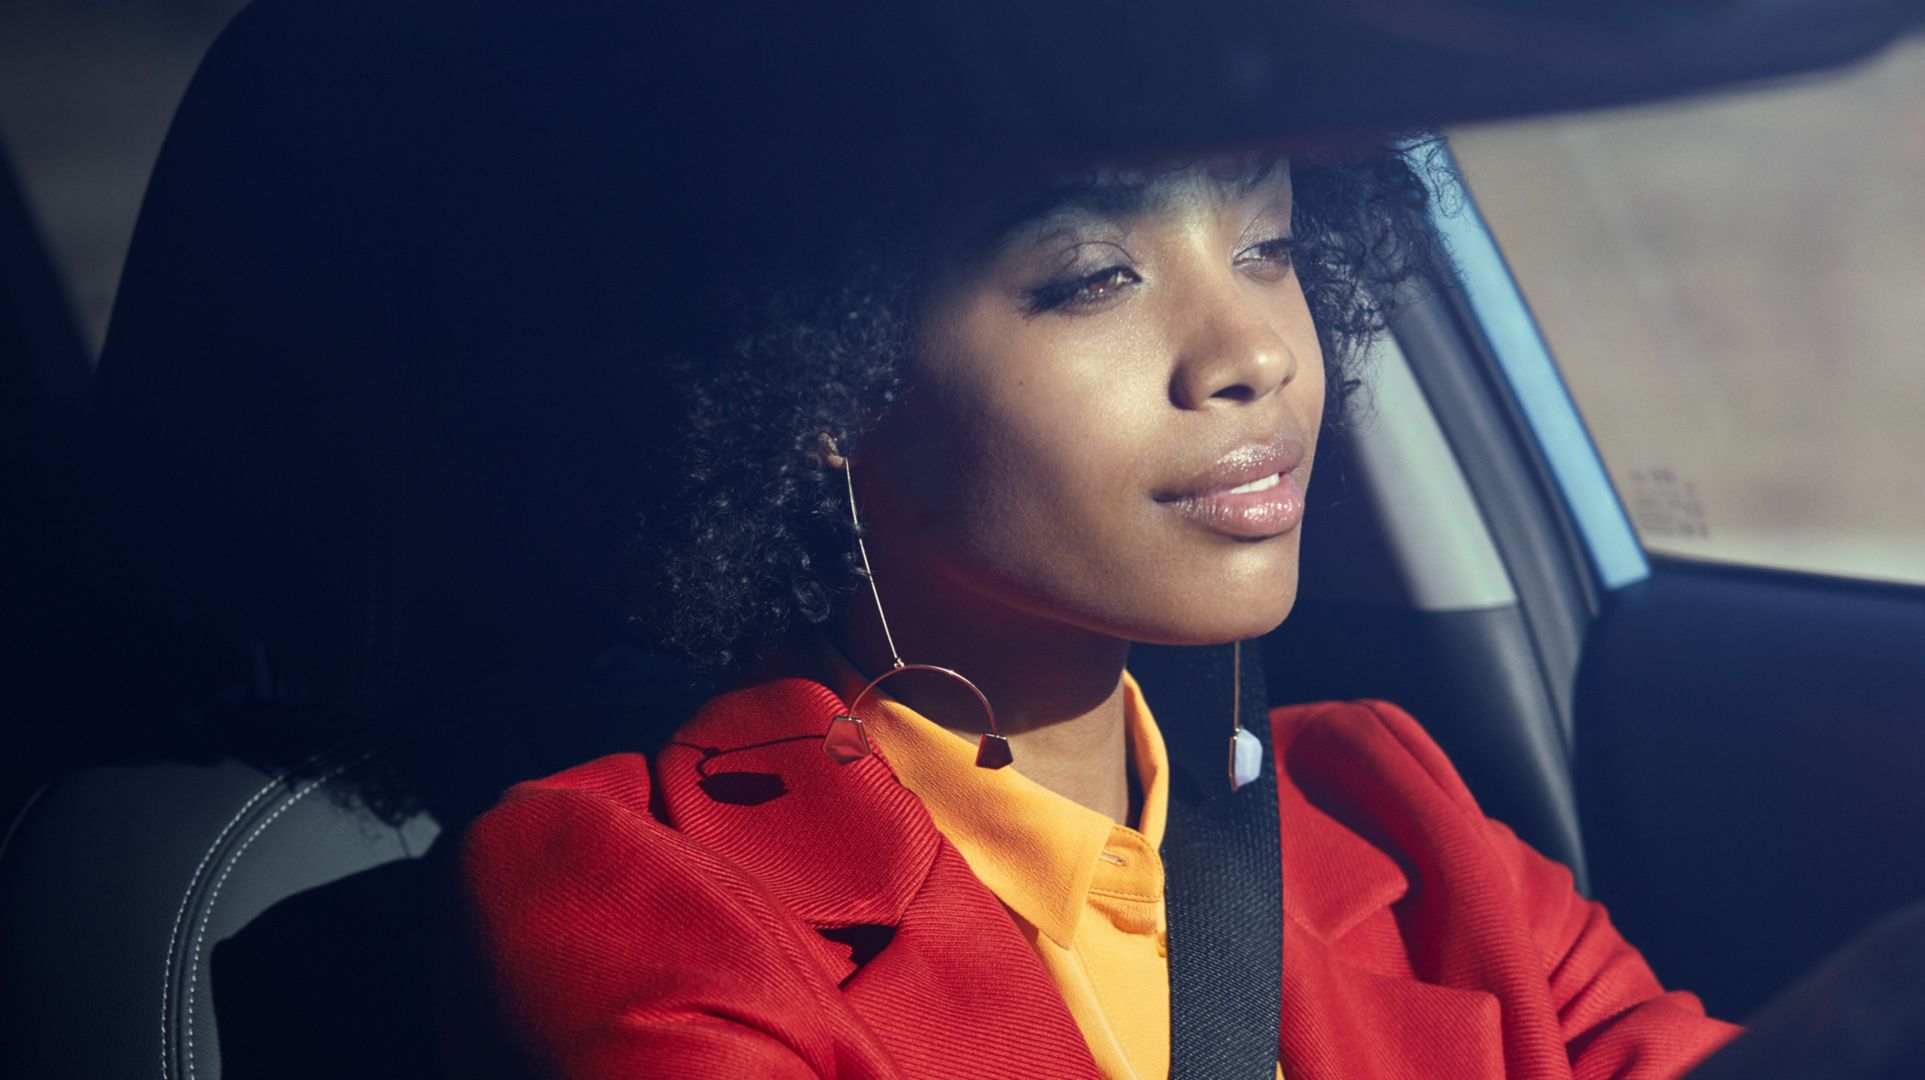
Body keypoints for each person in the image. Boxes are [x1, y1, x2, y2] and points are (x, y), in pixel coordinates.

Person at [446, 136, 1746, 1075]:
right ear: (828, 385)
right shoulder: (640, 884)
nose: (1254, 351)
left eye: (1268, 245)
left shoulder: (1385, 806)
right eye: (1088, 278)